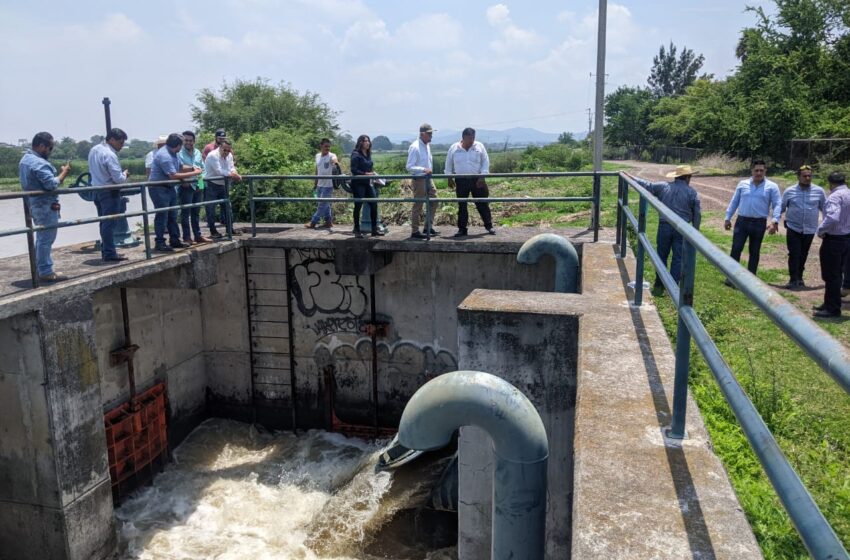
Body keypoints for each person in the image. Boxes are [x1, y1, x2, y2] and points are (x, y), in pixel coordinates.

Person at [628, 165, 701, 290]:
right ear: (688, 177)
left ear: (676, 177)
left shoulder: (663, 186)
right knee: (678, 257)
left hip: (664, 225)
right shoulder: (692, 192)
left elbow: (646, 185)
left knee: (662, 254)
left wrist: (630, 177)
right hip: (681, 228)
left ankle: (659, 281)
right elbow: (697, 214)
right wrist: (695, 230)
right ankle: (672, 285)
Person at [18, 132, 72, 282]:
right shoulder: (39, 163)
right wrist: (64, 173)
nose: (50, 151)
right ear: (42, 146)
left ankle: (41, 268)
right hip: (45, 205)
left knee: (41, 238)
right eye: (50, 147)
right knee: (46, 239)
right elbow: (51, 184)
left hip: (33, 204)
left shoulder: (25, 160)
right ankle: (46, 271)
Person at [723, 159, 781, 284]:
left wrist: (774, 221)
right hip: (742, 221)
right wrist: (727, 218)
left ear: (765, 171)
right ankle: (731, 277)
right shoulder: (742, 184)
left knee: (754, 251)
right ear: (752, 170)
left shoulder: (772, 187)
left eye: (761, 170)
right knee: (736, 249)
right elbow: (735, 201)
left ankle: (751, 280)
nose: (759, 173)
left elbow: (777, 205)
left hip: (759, 223)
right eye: (756, 170)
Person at [148, 133, 201, 251]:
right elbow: (173, 175)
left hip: (169, 187)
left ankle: (175, 240)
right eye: (182, 144)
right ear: (177, 145)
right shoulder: (164, 155)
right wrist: (194, 173)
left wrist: (193, 168)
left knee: (173, 215)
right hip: (159, 188)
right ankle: (160, 242)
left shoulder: (173, 153)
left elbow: (180, 167)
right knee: (162, 215)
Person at [779, 165, 825, 290]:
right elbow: (781, 207)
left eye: (809, 176)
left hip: (810, 229)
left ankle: (799, 278)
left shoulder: (819, 191)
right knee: (794, 254)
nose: (807, 178)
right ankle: (793, 279)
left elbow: (825, 210)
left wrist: (826, 227)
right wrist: (774, 221)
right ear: (798, 177)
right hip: (793, 227)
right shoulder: (789, 191)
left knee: (803, 254)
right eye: (804, 176)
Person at [88, 128, 129, 261]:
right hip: (109, 192)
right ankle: (110, 253)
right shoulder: (110, 154)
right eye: (120, 143)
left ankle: (107, 251)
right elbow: (118, 179)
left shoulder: (94, 150)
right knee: (109, 224)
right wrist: (125, 175)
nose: (122, 146)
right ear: (111, 140)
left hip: (97, 190)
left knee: (103, 222)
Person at [445, 127, 494, 237]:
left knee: (482, 203)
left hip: (478, 179)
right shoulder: (454, 148)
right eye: (469, 138)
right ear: (463, 138)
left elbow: (485, 162)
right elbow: (448, 163)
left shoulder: (479, 146)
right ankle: (462, 229)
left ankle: (489, 225)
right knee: (462, 205)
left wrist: (482, 176)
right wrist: (449, 177)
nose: (471, 140)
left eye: (473, 138)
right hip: (461, 180)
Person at [814, 172, 850, 318]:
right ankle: (829, 302)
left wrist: (821, 230)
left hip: (834, 240)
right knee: (838, 273)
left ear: (830, 183)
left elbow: (833, 217)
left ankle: (833, 308)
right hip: (847, 238)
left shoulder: (834, 197)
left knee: (831, 275)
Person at [406, 123, 439, 239]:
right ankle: (415, 231)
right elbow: (409, 166)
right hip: (419, 178)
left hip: (427, 178)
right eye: (429, 134)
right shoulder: (415, 147)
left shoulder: (426, 145)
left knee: (434, 200)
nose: (431, 136)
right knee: (418, 204)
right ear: (422, 134)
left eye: (431, 133)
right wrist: (424, 169)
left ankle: (427, 226)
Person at [204, 139, 242, 238]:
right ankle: (213, 231)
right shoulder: (213, 155)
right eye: (224, 150)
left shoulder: (229, 155)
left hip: (223, 184)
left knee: (227, 207)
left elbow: (231, 167)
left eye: (228, 150)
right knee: (211, 209)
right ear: (220, 148)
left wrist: (234, 173)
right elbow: (219, 171)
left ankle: (230, 229)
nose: (226, 152)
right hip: (211, 184)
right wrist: (233, 175)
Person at [178, 130, 210, 244]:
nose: (188, 142)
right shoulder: (179, 153)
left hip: (198, 186)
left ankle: (198, 236)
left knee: (196, 213)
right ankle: (187, 237)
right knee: (185, 213)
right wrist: (182, 182)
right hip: (186, 187)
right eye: (186, 140)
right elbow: (177, 169)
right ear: (182, 141)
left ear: (194, 141)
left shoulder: (197, 152)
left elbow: (202, 169)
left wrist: (201, 185)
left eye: (191, 140)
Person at [349, 135, 384, 238]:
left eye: (368, 141)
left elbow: (369, 167)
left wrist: (372, 174)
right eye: (365, 141)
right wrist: (366, 174)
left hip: (368, 183)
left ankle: (374, 229)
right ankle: (356, 229)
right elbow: (354, 170)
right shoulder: (355, 154)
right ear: (360, 143)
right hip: (358, 183)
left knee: (374, 204)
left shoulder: (368, 154)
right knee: (358, 205)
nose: (367, 143)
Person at [305, 138, 338, 229]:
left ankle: (313, 222)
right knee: (325, 204)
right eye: (326, 146)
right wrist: (315, 184)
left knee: (322, 204)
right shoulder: (317, 156)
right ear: (321, 146)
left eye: (329, 146)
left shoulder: (332, 155)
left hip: (328, 185)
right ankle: (328, 222)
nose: (327, 148)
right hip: (319, 184)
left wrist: (335, 162)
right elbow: (317, 170)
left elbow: (335, 160)